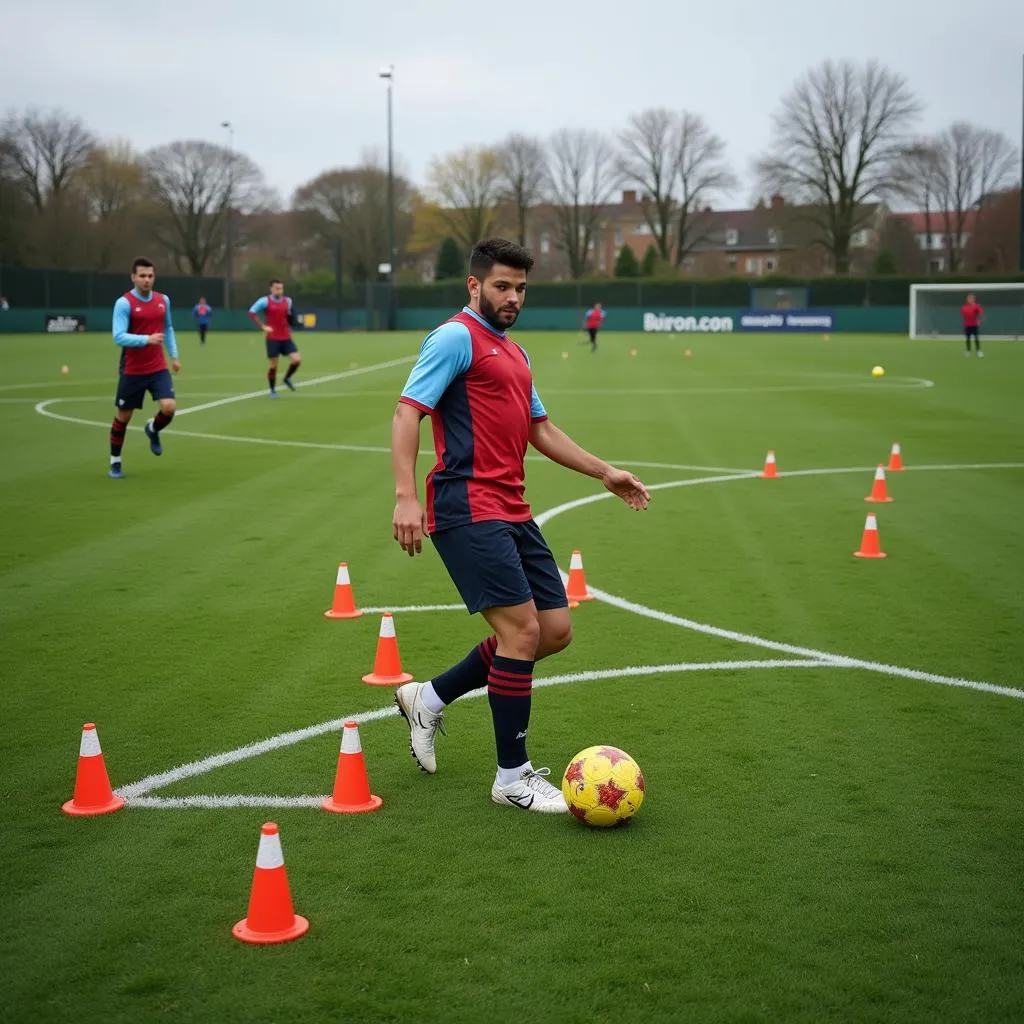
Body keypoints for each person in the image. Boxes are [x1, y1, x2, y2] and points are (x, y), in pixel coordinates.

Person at [391, 238, 651, 815]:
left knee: (553, 631)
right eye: (502, 286)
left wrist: (604, 471)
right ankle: (512, 778)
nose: (512, 298)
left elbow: (541, 428)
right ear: (474, 285)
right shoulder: (455, 338)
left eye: (521, 289)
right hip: (465, 506)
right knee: (521, 634)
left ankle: (428, 698)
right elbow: (409, 410)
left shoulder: (516, 353)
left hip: (513, 508)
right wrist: (406, 496)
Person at [108, 258, 180, 479]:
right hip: (133, 369)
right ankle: (115, 461)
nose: (147, 280)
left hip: (158, 367)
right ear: (133, 277)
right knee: (123, 417)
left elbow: (167, 327)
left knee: (169, 407)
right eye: (142, 276)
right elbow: (118, 336)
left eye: (150, 276)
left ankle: (153, 429)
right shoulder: (124, 303)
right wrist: (146, 339)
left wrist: (174, 355)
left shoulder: (162, 300)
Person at [248, 280, 301, 395]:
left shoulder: (288, 301)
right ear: (271, 289)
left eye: (281, 288)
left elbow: (289, 316)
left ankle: (287, 378)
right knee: (273, 365)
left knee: (297, 360)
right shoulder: (264, 301)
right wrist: (263, 326)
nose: (279, 291)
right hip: (272, 337)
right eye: (277, 288)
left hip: (286, 337)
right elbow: (251, 312)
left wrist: (293, 321)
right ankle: (272, 390)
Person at [961, 292, 984, 357]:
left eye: (971, 298)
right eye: (969, 298)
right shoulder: (964, 307)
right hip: (967, 325)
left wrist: (979, 320)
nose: (970, 299)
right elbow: (964, 315)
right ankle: (968, 351)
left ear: (973, 299)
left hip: (974, 325)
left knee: (976, 338)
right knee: (967, 339)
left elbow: (981, 313)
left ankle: (978, 351)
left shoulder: (976, 306)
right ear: (967, 299)